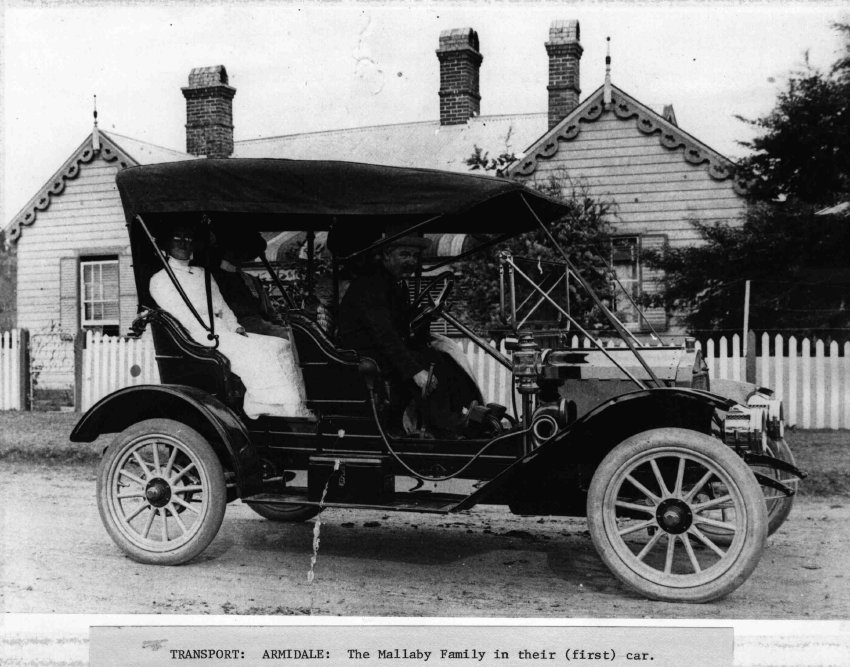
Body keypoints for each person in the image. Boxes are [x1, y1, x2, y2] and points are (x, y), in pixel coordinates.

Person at [149, 224, 310, 420]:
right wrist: (213, 333)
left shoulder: (202, 273)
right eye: (177, 238)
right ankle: (262, 403)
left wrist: (235, 326)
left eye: (188, 238)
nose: (184, 242)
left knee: (280, 344)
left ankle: (285, 405)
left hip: (222, 330)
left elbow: (222, 306)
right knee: (257, 351)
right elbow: (182, 317)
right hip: (197, 336)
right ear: (166, 243)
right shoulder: (160, 280)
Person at [337, 231, 479, 437]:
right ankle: (446, 426)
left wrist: (428, 316)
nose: (411, 261)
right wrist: (415, 371)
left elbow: (403, 327)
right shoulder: (370, 285)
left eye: (414, 256)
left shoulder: (395, 284)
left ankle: (467, 415)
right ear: (386, 254)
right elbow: (385, 333)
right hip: (363, 354)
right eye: (404, 254)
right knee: (426, 365)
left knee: (442, 359)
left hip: (381, 350)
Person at [212, 233, 290, 339]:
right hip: (244, 332)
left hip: (266, 329)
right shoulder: (214, 279)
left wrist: (282, 327)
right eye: (236, 249)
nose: (241, 254)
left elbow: (270, 312)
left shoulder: (250, 279)